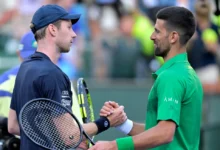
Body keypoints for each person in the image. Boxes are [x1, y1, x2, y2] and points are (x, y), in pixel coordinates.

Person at [8, 4, 127, 150]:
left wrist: (57, 135)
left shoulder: (24, 69)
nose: (74, 34)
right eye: (69, 28)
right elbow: (70, 137)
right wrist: (106, 122)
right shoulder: (53, 74)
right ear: (52, 29)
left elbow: (13, 126)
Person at [89, 6, 203, 150]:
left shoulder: (171, 77)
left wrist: (113, 145)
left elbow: (164, 133)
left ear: (173, 37)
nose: (151, 36)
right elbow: (159, 131)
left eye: (157, 31)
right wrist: (123, 123)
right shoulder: (188, 74)